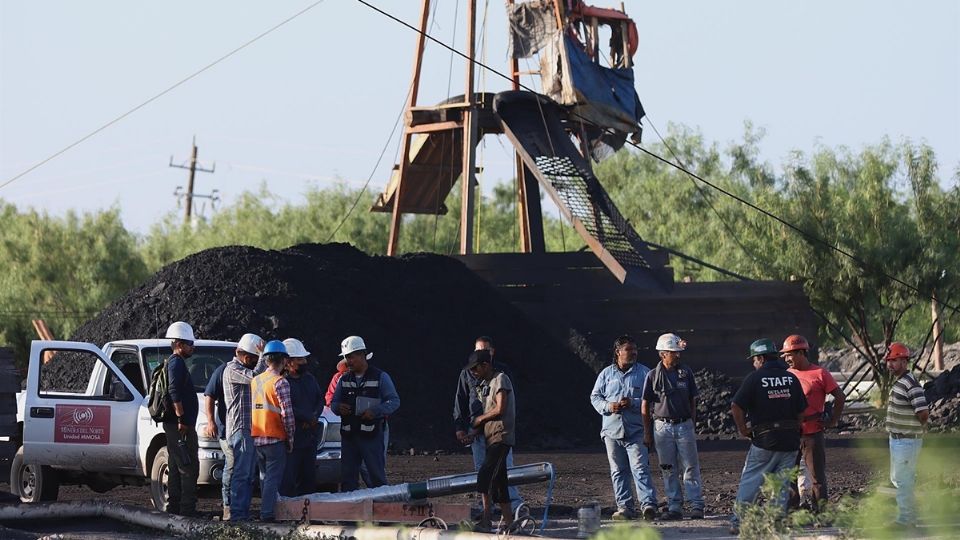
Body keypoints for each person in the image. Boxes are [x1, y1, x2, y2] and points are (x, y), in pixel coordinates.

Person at [728, 338, 808, 535]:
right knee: (781, 484)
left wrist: (742, 429)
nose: (754, 364)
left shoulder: (755, 378)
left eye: (754, 360)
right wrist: (794, 429)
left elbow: (736, 406)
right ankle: (776, 520)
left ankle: (740, 521)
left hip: (764, 439)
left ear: (761, 358)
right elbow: (801, 411)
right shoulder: (791, 378)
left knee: (751, 480)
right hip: (790, 441)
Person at [589, 335, 658, 521]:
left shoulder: (645, 373)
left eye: (635, 349)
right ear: (618, 352)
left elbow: (654, 400)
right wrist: (609, 407)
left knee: (640, 468)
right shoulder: (606, 374)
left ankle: (648, 505)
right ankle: (625, 507)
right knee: (618, 471)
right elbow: (595, 397)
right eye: (629, 349)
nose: (634, 353)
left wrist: (634, 403)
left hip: (636, 431)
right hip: (612, 431)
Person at [453, 336, 523, 513]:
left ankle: (513, 506)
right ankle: (488, 508)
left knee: (502, 469)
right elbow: (460, 399)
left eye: (485, 350)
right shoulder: (467, 373)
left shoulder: (501, 375)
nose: (481, 354)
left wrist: (481, 420)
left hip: (498, 431)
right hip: (477, 431)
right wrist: (461, 426)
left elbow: (504, 406)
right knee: (482, 470)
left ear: (492, 352)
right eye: (478, 351)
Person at [641, 333, 705, 520]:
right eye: (673, 352)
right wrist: (647, 432)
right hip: (662, 427)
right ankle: (674, 506)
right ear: (663, 354)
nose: (678, 355)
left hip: (684, 424)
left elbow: (693, 400)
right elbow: (645, 404)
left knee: (690, 466)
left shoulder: (686, 373)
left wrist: (691, 424)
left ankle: (696, 505)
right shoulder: (652, 376)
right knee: (668, 468)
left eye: (678, 352)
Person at [780, 334, 845, 511]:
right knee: (790, 475)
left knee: (817, 476)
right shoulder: (787, 375)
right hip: (792, 433)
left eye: (789, 354)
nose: (786, 358)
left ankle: (820, 512)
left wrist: (833, 420)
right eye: (785, 355)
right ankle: (793, 511)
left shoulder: (820, 373)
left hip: (812, 433)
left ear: (801, 352)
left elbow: (839, 397)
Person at [331, 336, 400, 491]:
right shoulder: (344, 380)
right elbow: (333, 403)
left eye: (351, 357)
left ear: (362, 355)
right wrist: (338, 408)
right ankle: (350, 510)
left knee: (376, 475)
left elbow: (394, 401)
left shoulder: (381, 377)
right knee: (348, 477)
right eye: (346, 357)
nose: (348, 361)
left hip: (371, 436)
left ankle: (382, 508)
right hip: (349, 436)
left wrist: (375, 412)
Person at [467, 349, 517, 533]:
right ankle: (510, 523)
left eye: (475, 368)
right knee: (500, 481)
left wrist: (480, 419)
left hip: (501, 436)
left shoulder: (500, 379)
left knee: (485, 476)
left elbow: (500, 409)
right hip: (490, 438)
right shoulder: (486, 384)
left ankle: (487, 520)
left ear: (485, 365)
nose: (473, 372)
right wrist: (473, 432)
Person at [883, 342, 928, 529]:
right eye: (889, 361)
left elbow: (923, 412)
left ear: (904, 361)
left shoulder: (910, 383)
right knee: (899, 479)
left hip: (907, 440)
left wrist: (915, 428)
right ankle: (910, 515)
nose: (890, 364)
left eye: (894, 360)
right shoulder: (901, 382)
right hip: (898, 439)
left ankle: (906, 520)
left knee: (903, 480)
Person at [222, 333, 265, 522]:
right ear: (243, 354)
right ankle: (238, 515)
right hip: (240, 428)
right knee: (242, 473)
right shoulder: (232, 369)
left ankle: (242, 513)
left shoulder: (239, 368)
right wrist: (263, 356)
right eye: (253, 359)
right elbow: (255, 377)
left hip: (248, 429)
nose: (255, 362)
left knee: (247, 475)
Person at [252, 340, 296, 522]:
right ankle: (267, 514)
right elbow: (288, 415)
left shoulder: (255, 380)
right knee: (272, 478)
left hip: (257, 437)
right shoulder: (280, 382)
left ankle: (267, 509)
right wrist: (291, 439)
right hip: (274, 437)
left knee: (264, 478)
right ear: (283, 360)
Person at [161, 321, 200, 517]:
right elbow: (174, 391)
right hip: (179, 425)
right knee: (188, 466)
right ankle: (187, 512)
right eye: (189, 343)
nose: (192, 347)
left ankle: (174, 511)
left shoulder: (176, 362)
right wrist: (182, 419)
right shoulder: (176, 363)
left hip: (176, 425)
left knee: (176, 466)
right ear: (178, 344)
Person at [280, 338, 323, 496]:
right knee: (288, 478)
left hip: (309, 437)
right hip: (291, 439)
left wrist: (314, 417)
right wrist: (306, 417)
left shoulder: (309, 379)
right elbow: (286, 406)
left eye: (304, 359)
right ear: (288, 362)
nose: (304, 362)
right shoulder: (282, 382)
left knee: (308, 477)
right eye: (300, 359)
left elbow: (320, 400)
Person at [203, 354, 232, 519]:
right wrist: (210, 422)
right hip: (226, 429)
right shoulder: (222, 371)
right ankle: (228, 505)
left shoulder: (250, 372)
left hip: (250, 431)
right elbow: (209, 396)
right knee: (232, 465)